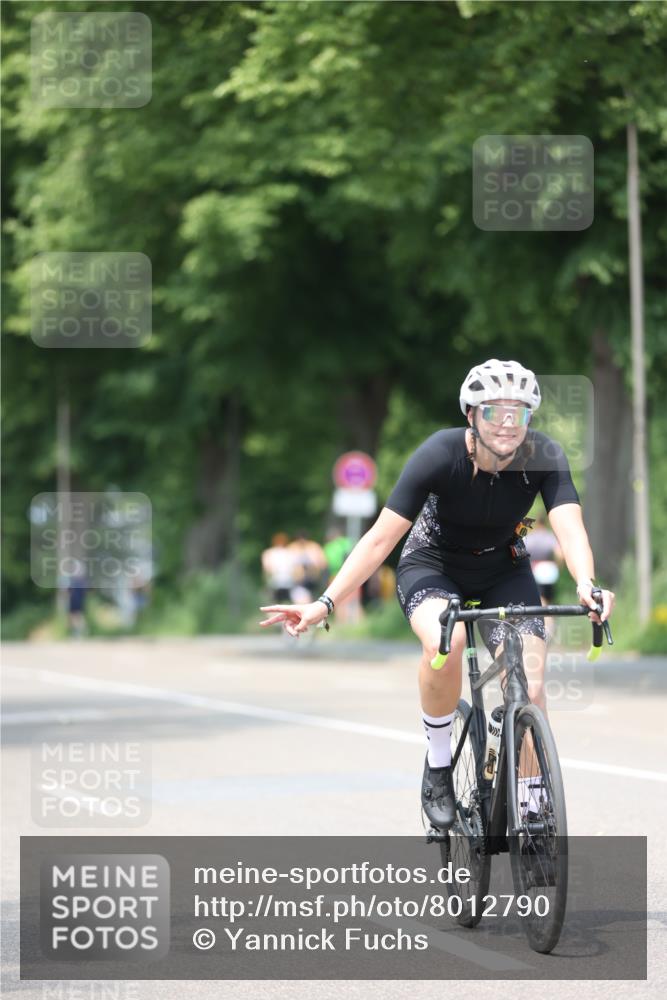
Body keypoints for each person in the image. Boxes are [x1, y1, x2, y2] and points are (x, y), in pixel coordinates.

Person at [259, 359, 615, 831]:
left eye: (519, 413)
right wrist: (324, 603)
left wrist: (587, 585)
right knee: (446, 644)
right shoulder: (438, 454)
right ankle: (440, 764)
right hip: (433, 565)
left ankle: (532, 803)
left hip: (502, 566)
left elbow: (570, 529)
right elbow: (380, 540)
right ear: (471, 414)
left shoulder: (544, 455)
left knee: (529, 681)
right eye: (494, 412)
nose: (508, 424)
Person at [261, 533, 296, 604]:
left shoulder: (268, 553)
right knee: (287, 602)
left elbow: (266, 569)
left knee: (274, 602)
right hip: (287, 581)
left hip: (275, 581)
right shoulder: (290, 552)